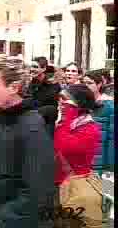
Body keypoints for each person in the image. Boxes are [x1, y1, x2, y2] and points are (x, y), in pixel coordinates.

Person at [0, 54, 54, 228]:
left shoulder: (31, 126)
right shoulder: (7, 119)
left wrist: (2, 216)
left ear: (14, 87)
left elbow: (37, 191)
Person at [54, 84, 102, 228]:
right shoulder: (63, 123)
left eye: (65, 100)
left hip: (75, 188)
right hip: (58, 184)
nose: (60, 103)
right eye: (59, 99)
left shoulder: (90, 129)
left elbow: (64, 146)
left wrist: (67, 118)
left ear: (78, 105)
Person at [83, 71, 114, 176]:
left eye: (90, 83)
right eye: (84, 83)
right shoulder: (81, 106)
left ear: (99, 84)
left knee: (107, 191)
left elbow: (112, 140)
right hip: (84, 165)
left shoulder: (109, 106)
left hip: (102, 167)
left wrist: (110, 170)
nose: (86, 86)